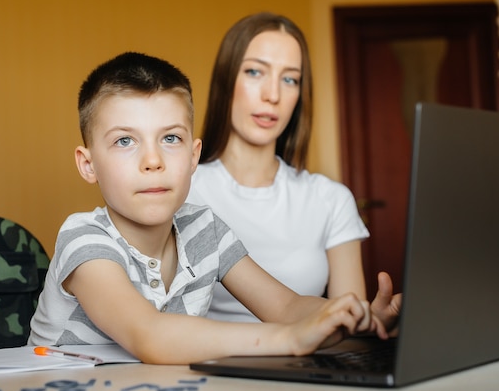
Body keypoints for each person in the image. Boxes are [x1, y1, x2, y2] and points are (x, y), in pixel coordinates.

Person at [28, 52, 389, 365]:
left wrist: (353, 317)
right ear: (88, 165)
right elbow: (150, 336)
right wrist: (289, 340)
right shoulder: (84, 240)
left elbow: (286, 308)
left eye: (171, 138)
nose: (153, 160)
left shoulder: (204, 229)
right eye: (125, 141)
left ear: (193, 156)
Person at [186, 12, 401, 332]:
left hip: (307, 371)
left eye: (290, 79)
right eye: (255, 72)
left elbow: (346, 324)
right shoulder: (181, 190)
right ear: (226, 80)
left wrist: (366, 325)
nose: (272, 95)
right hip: (206, 370)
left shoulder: (331, 199)